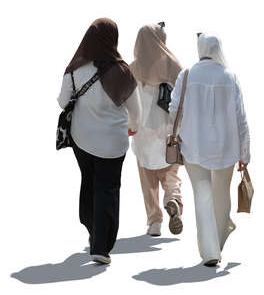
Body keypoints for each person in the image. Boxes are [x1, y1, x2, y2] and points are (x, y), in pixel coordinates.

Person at [57, 18, 141, 265]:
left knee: (89, 180)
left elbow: (63, 102)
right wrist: (132, 128)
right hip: (114, 142)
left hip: (82, 139)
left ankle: (92, 229)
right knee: (108, 187)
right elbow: (136, 112)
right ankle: (101, 246)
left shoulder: (75, 68)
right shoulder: (123, 71)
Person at [169, 33, 250, 266]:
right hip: (226, 147)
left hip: (193, 146)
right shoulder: (230, 77)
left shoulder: (186, 75)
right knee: (222, 195)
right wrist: (245, 154)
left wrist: (181, 130)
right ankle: (219, 239)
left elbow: (174, 109)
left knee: (202, 195)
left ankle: (210, 250)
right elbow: (241, 118)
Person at [130, 23, 183, 237]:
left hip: (142, 131)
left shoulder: (133, 68)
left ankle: (154, 222)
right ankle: (173, 199)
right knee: (171, 174)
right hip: (169, 131)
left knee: (147, 178)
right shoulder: (174, 65)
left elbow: (126, 101)